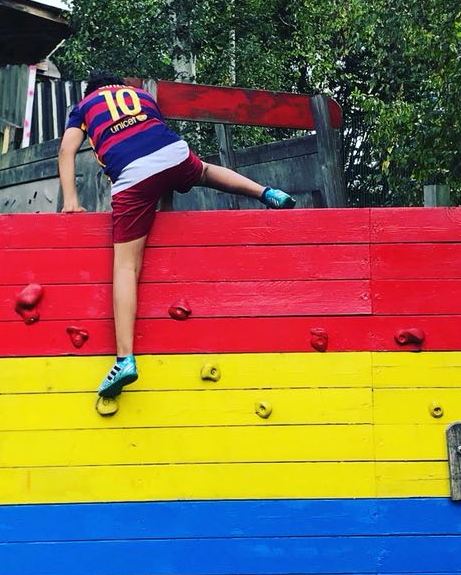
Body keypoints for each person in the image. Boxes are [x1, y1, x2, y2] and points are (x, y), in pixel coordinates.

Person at [58, 73, 296, 397]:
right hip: (174, 154)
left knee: (126, 267)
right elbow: (156, 147)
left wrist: (71, 202)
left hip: (133, 174)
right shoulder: (141, 96)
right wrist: (166, 207)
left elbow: (66, 150)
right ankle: (268, 193)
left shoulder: (85, 105)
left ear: (91, 91)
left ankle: (124, 359)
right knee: (205, 171)